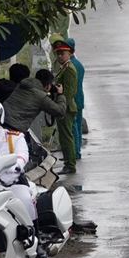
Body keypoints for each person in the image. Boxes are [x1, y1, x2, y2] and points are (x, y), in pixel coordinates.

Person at [0, 98, 47, 258]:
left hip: (12, 184)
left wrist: (15, 165)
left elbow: (22, 156)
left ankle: (37, 240)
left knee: (25, 200)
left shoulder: (14, 137)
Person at [51, 39, 78, 175]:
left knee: (66, 136)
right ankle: (68, 162)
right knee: (64, 136)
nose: (60, 56)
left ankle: (70, 164)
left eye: (63, 53)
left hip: (66, 107)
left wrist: (62, 107)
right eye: (58, 54)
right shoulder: (64, 68)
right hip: (63, 106)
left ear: (69, 53)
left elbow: (69, 92)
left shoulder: (69, 70)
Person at [60, 37, 85, 161]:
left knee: (73, 128)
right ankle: (76, 150)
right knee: (77, 127)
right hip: (79, 99)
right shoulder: (77, 64)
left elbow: (71, 87)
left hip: (73, 100)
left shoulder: (71, 65)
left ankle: (74, 152)